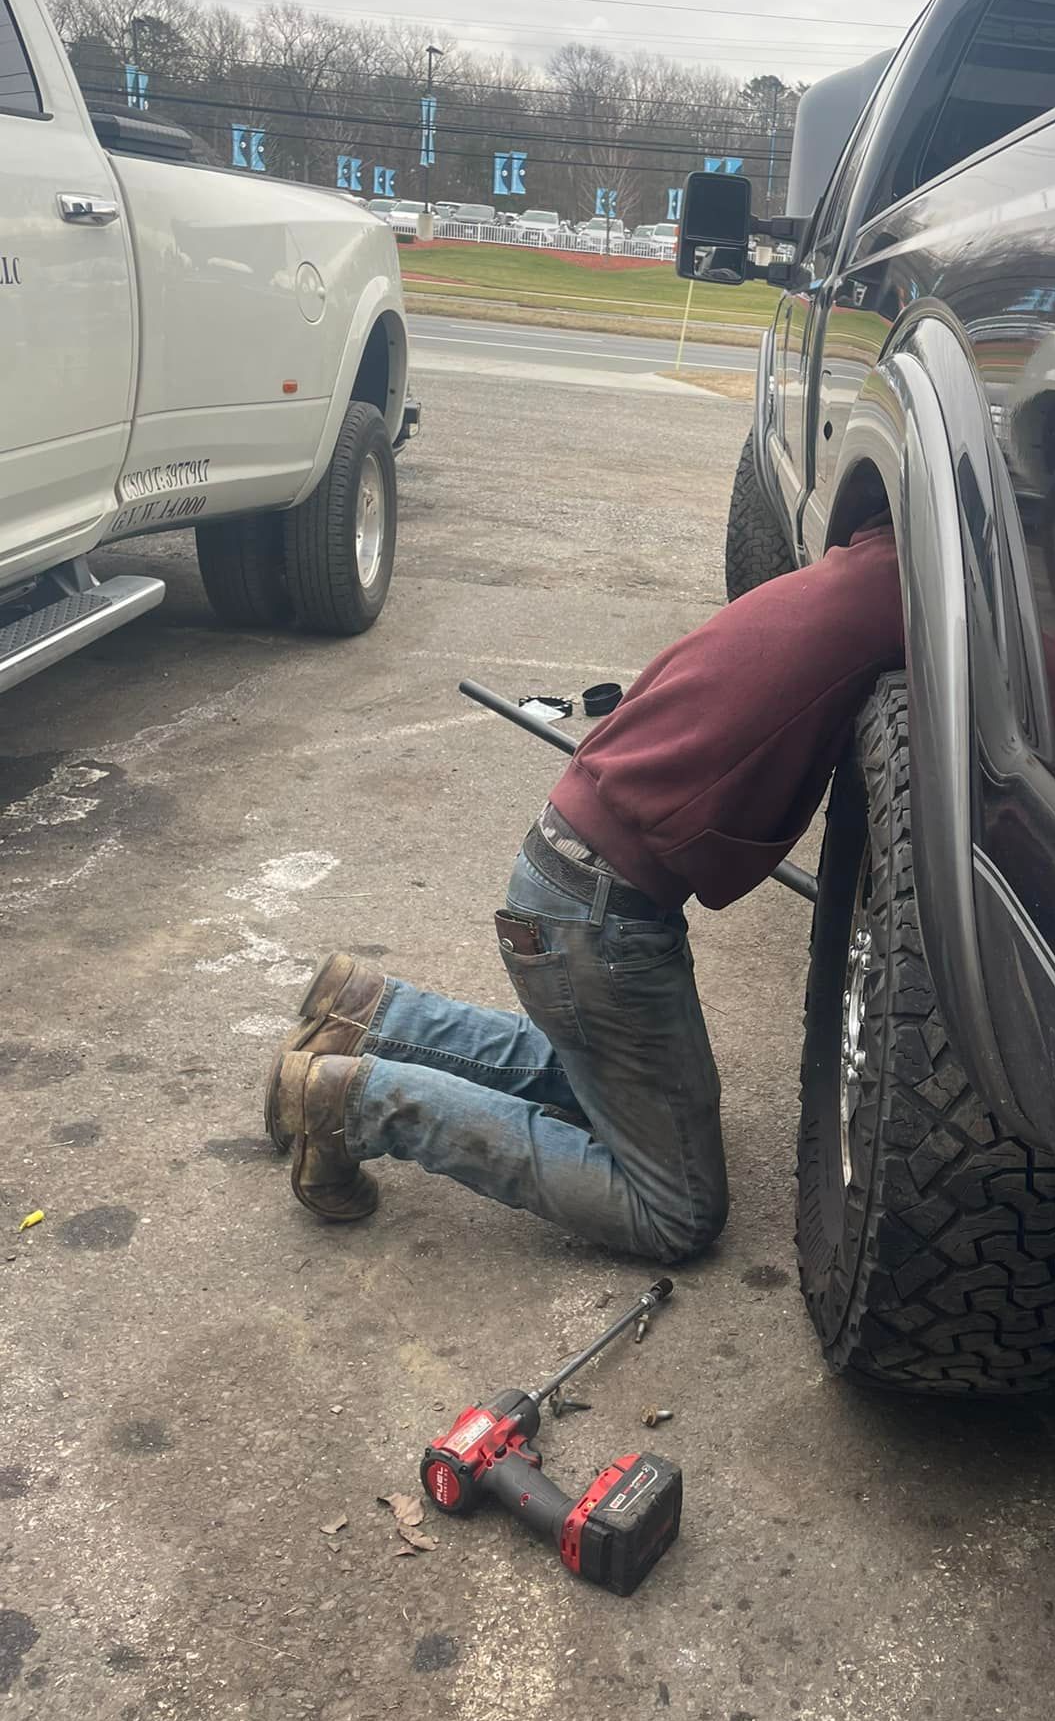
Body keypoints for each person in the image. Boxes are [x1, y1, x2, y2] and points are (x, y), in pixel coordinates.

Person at [264, 521, 904, 1263]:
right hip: (600, 913)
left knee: (609, 1081)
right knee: (678, 1210)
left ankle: (371, 1014)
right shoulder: (918, 601)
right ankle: (357, 1104)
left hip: (564, 866)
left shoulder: (857, 572)